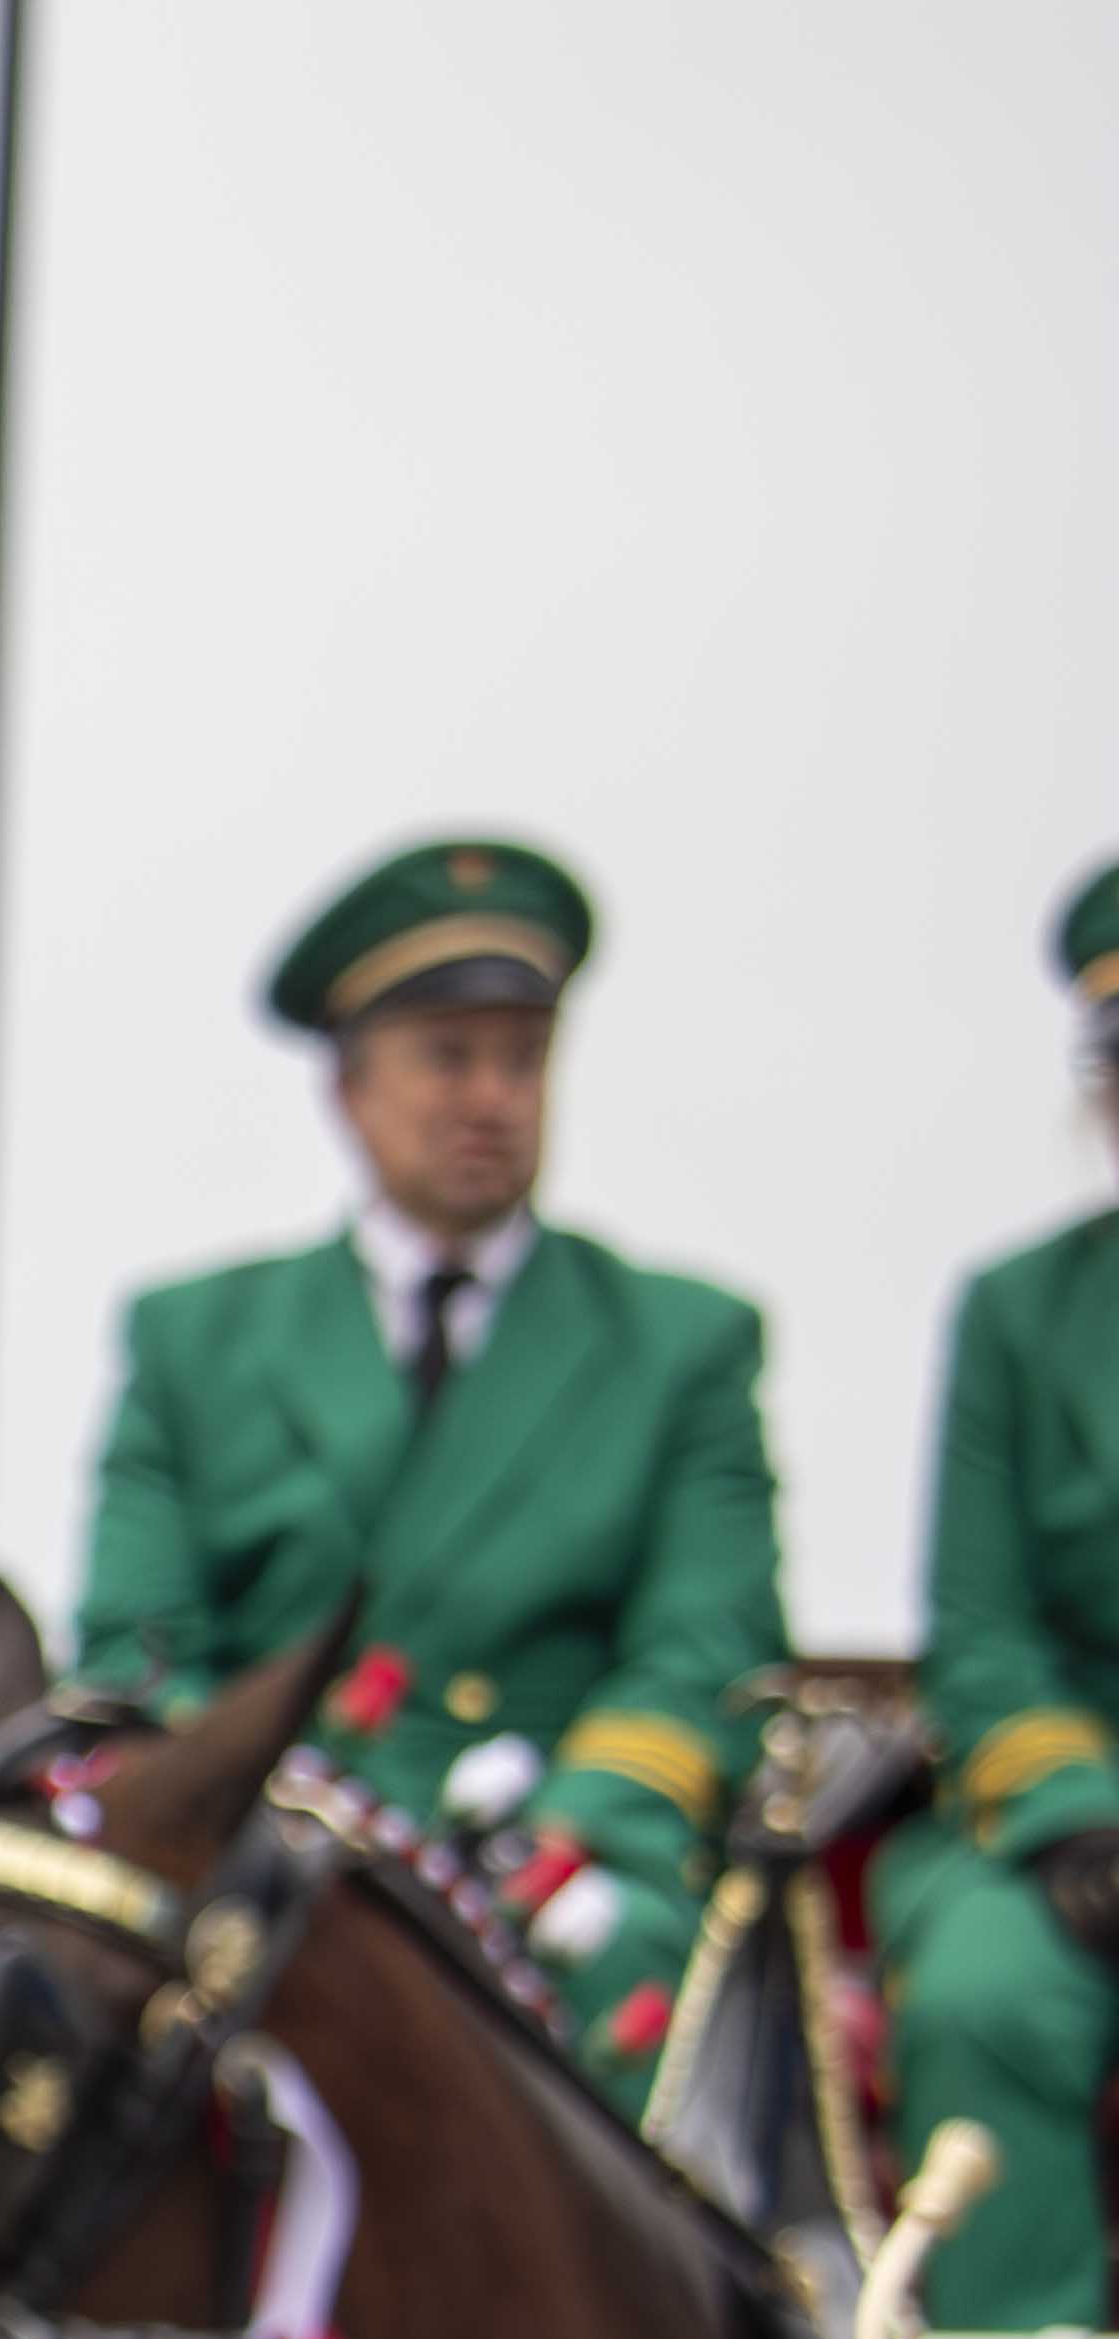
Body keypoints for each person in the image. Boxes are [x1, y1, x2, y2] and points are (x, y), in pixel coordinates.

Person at [71, 835, 784, 2094]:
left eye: (522, 1058)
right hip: (271, 1847)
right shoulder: (195, 1340)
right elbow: (140, 1653)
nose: (490, 1099)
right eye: (446, 1058)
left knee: (619, 1988)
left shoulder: (681, 1346)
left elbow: (702, 1649)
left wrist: (570, 1835)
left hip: (554, 1860)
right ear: (349, 1090)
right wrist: (253, 1831)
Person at [874, 856, 1119, 2339]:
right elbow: (976, 1626)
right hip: (1065, 1827)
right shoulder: (1022, 1312)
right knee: (981, 1991)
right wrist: (1078, 1817)